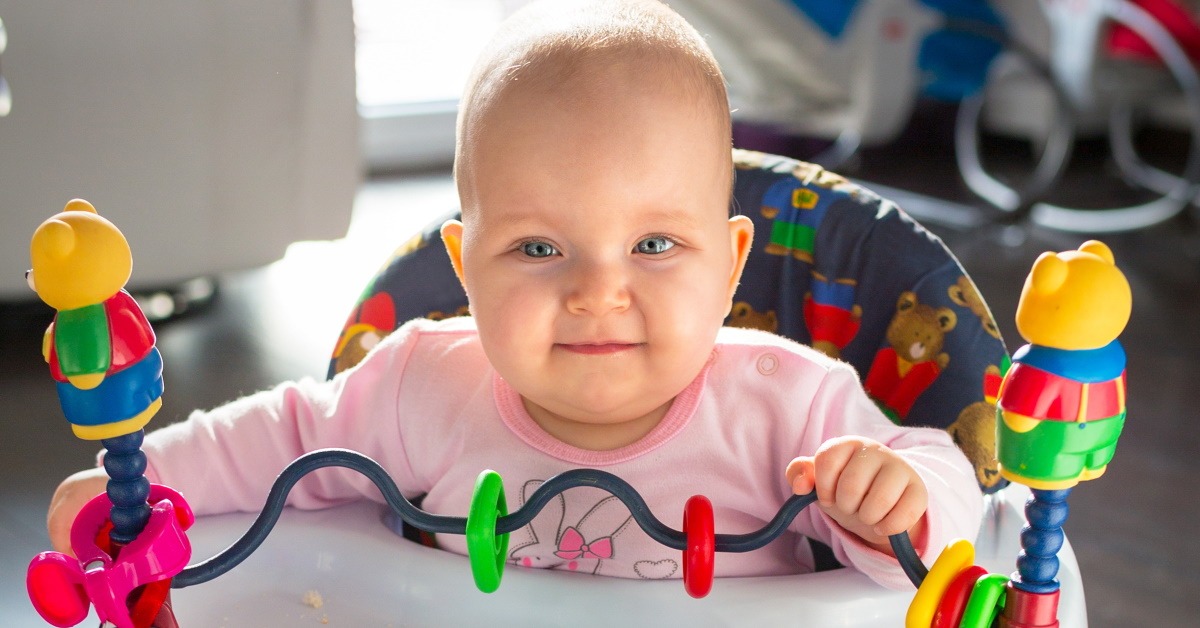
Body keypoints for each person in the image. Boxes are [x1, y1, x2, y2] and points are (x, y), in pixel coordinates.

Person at [47, 0, 982, 590]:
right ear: (465, 266)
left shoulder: (797, 405)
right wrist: (136, 484)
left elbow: (951, 518)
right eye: (539, 247)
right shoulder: (418, 383)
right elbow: (280, 439)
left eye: (655, 244)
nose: (596, 291)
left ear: (733, 264)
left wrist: (896, 499)